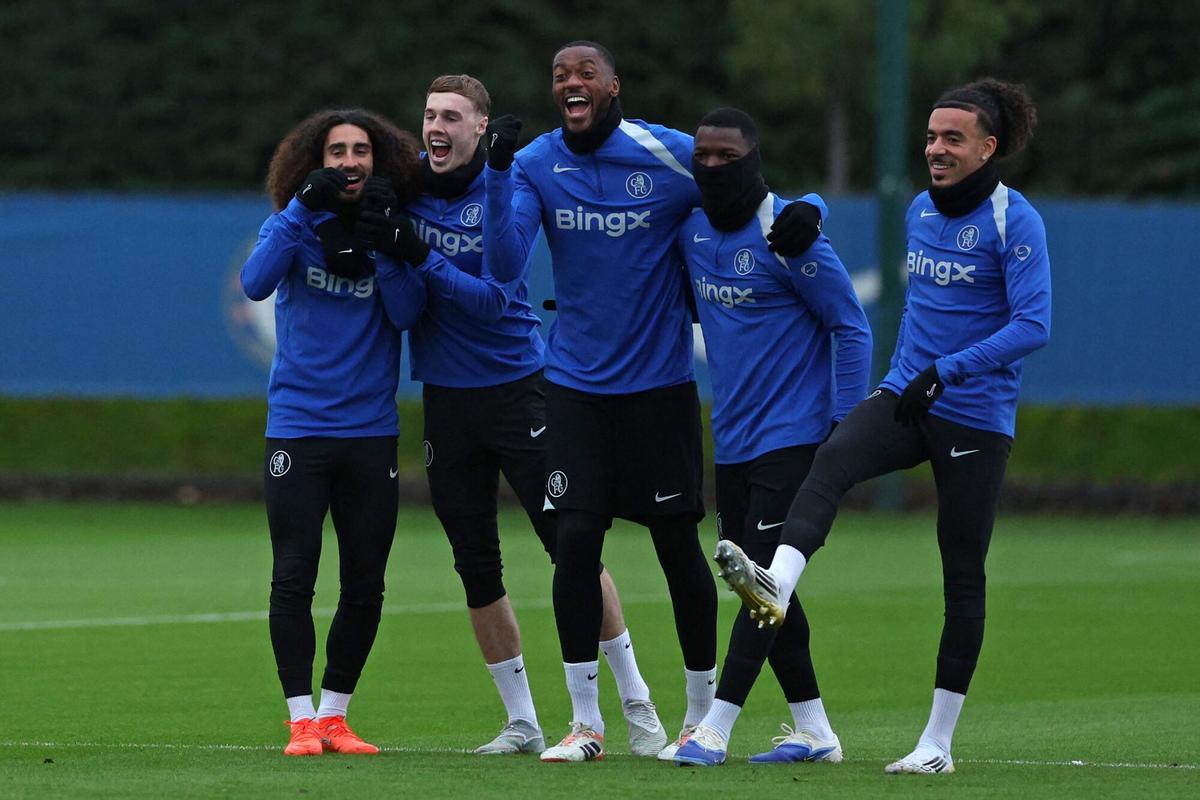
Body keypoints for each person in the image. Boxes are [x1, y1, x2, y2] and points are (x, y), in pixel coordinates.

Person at [483, 41, 827, 763]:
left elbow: (747, 185)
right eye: (558, 75)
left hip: (659, 389)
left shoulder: (666, 153)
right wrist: (495, 173)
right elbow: (505, 262)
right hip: (574, 386)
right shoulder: (537, 162)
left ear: (613, 86)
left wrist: (811, 207)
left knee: (678, 549)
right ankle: (586, 724)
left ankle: (698, 716)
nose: (570, 83)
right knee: (574, 544)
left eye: (585, 74)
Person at [715, 78, 1050, 775]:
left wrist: (948, 370)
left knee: (962, 573)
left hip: (972, 415)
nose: (936, 148)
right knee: (830, 459)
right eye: (931, 135)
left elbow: (1033, 326)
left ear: (989, 148)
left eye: (952, 138)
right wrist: (812, 204)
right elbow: (807, 209)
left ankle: (937, 745)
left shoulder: (1014, 221)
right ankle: (777, 582)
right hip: (906, 395)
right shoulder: (923, 210)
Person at [382, 73, 651, 756]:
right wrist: (389, 246)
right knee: (474, 562)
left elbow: (497, 296)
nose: (435, 127)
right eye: (429, 114)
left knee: (570, 546)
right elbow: (408, 312)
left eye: (451, 116)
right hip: (447, 399)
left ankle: (637, 704)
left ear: (479, 127)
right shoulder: (407, 190)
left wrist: (421, 254)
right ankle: (523, 722)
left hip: (520, 389)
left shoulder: (511, 181)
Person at [667, 108, 872, 767]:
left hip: (797, 436)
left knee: (758, 584)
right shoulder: (693, 230)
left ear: (753, 160)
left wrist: (844, 428)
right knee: (767, 587)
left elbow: (851, 326)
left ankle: (715, 729)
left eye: (728, 156)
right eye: (704, 156)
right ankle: (816, 732)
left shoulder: (790, 234)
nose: (713, 167)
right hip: (733, 439)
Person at [241, 108, 431, 756]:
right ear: (315, 162)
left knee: (365, 582)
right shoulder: (296, 223)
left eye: (361, 151)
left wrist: (390, 246)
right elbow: (254, 281)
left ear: (379, 163)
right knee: (293, 575)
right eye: (337, 151)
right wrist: (299, 209)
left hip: (370, 433)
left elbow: (407, 313)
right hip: (296, 430)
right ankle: (299, 721)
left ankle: (335, 717)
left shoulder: (386, 230)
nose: (350, 161)